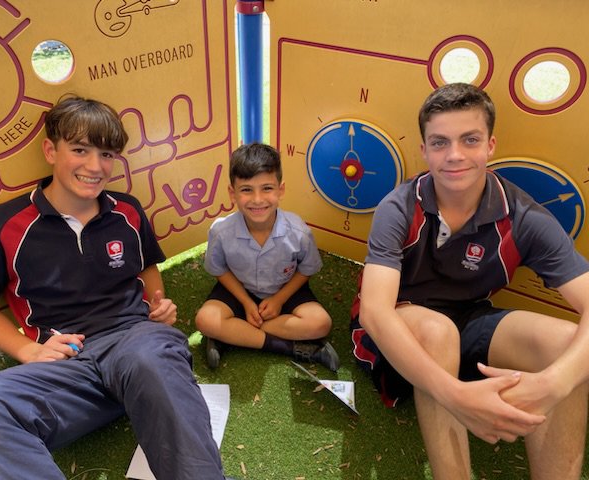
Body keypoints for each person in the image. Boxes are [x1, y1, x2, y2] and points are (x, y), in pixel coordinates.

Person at [0, 96, 236, 480]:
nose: (95, 166)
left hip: (137, 347)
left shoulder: (127, 210)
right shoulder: (1, 224)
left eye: (106, 154)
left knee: (151, 358)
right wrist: (28, 350)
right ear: (50, 150)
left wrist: (158, 307)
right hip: (67, 369)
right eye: (80, 150)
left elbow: (146, 266)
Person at [351, 82, 589, 479]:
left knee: (566, 346)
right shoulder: (399, 206)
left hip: (469, 320)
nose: (455, 155)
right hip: (399, 330)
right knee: (437, 332)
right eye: (440, 143)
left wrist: (554, 382)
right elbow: (375, 312)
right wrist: (457, 397)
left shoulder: (524, 217)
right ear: (424, 150)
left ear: (491, 145)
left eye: (470, 139)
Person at [195, 143, 339, 371]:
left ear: (280, 190)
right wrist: (246, 302)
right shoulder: (220, 231)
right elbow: (219, 269)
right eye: (246, 190)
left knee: (320, 323)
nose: (257, 199)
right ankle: (290, 347)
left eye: (267, 188)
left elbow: (307, 269)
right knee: (205, 320)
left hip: (285, 289)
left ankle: (235, 334)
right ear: (232, 193)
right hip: (239, 290)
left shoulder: (299, 232)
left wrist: (279, 299)